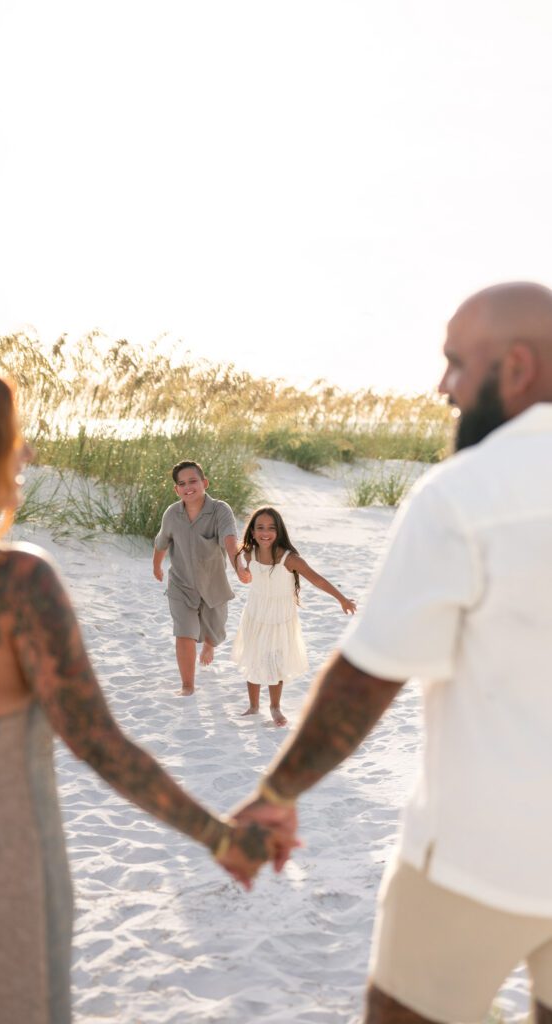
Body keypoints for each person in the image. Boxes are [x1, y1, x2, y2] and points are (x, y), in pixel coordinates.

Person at [0, 358, 283, 1024]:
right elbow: (99, 745)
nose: (26, 452)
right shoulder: (15, 586)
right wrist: (217, 836)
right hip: (5, 874)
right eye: (12, 437)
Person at [233, 283, 552, 1024]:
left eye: (453, 365)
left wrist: (277, 794)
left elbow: (367, 677)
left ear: (515, 367)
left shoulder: (465, 494)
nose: (440, 388)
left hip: (481, 849)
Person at [232, 506, 356, 726]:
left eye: (271, 528)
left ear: (279, 531)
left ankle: (275, 706)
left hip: (279, 618)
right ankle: (253, 705)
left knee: (274, 661)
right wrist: (241, 571)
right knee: (253, 657)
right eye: (259, 527)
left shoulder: (289, 559)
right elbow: (237, 558)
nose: (265, 532)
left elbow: (317, 580)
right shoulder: (249, 553)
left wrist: (341, 599)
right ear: (252, 531)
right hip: (255, 614)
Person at [153, 460, 249, 695]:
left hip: (213, 585)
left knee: (215, 630)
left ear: (204, 483)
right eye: (182, 484)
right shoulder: (172, 514)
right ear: (176, 489)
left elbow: (229, 541)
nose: (188, 487)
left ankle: (209, 644)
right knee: (184, 631)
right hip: (181, 585)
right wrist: (157, 567)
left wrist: (239, 568)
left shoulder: (220, 510)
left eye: (193, 481)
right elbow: (161, 542)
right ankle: (187, 685)